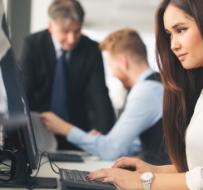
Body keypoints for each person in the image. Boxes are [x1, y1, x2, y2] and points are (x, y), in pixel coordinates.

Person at [86, 0, 203, 189]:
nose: (173, 45)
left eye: (181, 30)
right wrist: (155, 171)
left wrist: (143, 182)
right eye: (170, 34)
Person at [41, 28, 170, 165]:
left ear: (122, 62)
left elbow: (110, 150)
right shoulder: (156, 84)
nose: (113, 74)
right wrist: (96, 142)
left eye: (111, 65)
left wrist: (63, 128)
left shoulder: (146, 91)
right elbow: (135, 146)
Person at [19, 0, 115, 150]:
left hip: (76, 133)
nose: (71, 39)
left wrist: (106, 138)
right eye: (65, 32)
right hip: (39, 132)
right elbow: (24, 93)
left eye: (77, 31)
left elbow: (99, 96)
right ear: (51, 26)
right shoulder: (32, 45)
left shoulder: (91, 50)